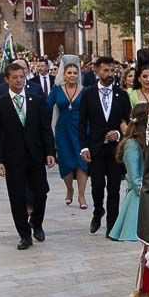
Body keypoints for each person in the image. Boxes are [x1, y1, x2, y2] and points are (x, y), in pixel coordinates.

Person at [0, 62, 56, 250]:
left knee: (41, 192)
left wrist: (50, 152)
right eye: (14, 77)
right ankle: (24, 234)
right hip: (13, 158)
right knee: (17, 197)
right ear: (7, 80)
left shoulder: (36, 99)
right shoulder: (0, 104)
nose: (19, 80)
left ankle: (37, 223)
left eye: (21, 77)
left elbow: (45, 128)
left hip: (36, 155)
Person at [79, 56, 131, 236]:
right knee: (97, 185)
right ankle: (97, 211)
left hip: (115, 150)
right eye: (106, 70)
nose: (110, 74)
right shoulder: (88, 94)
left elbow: (128, 122)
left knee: (114, 187)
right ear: (97, 71)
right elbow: (81, 123)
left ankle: (112, 225)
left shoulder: (122, 95)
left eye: (112, 71)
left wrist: (118, 133)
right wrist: (84, 147)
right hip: (96, 148)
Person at [49, 62, 89, 210]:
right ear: (63, 75)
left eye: (75, 73)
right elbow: (47, 107)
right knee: (65, 161)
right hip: (63, 129)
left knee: (81, 161)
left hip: (81, 129)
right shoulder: (56, 90)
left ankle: (81, 194)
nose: (72, 75)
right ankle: (69, 189)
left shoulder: (85, 90)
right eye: (69, 73)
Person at [109, 103, 147, 244]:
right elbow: (134, 177)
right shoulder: (132, 144)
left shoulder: (145, 142)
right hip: (139, 198)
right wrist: (147, 191)